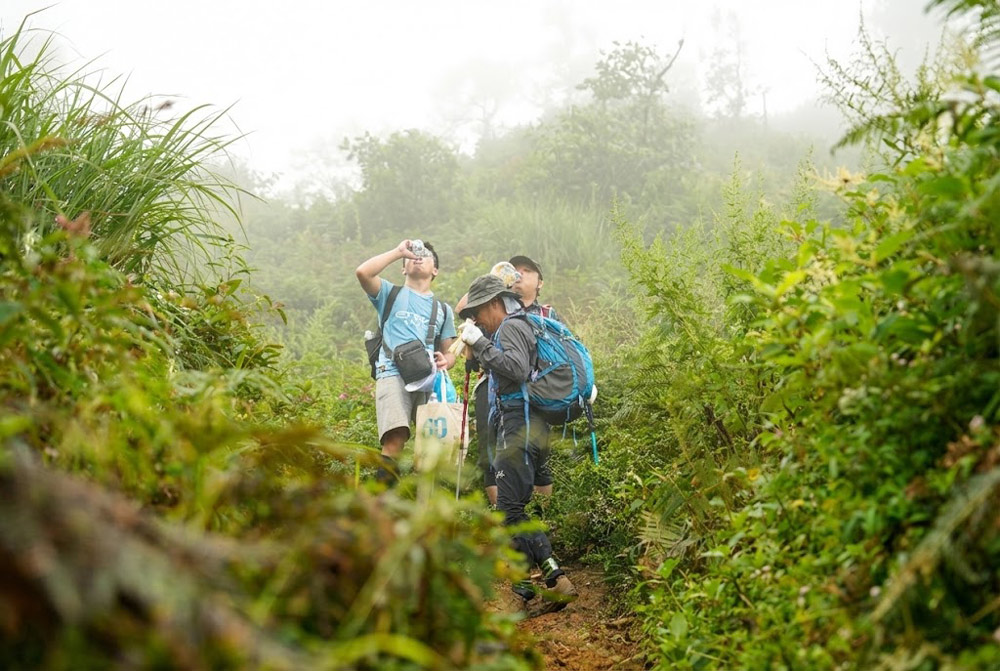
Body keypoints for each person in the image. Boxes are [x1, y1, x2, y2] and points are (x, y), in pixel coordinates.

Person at [457, 274, 578, 613]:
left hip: (519, 427)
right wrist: (478, 351)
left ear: (495, 304)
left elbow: (515, 368)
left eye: (479, 312)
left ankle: (556, 579)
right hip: (530, 426)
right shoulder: (514, 327)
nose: (477, 320)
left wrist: (480, 343)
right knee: (515, 509)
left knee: (509, 509)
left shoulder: (511, 326)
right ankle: (526, 592)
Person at [356, 239, 457, 483]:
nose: (418, 256)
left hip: (427, 380)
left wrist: (448, 360)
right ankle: (383, 506)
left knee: (430, 447)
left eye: (426, 255)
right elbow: (363, 272)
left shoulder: (442, 309)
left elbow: (450, 351)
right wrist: (398, 251)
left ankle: (420, 507)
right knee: (395, 437)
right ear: (403, 267)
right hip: (391, 373)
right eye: (412, 255)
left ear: (435, 270)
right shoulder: (389, 294)